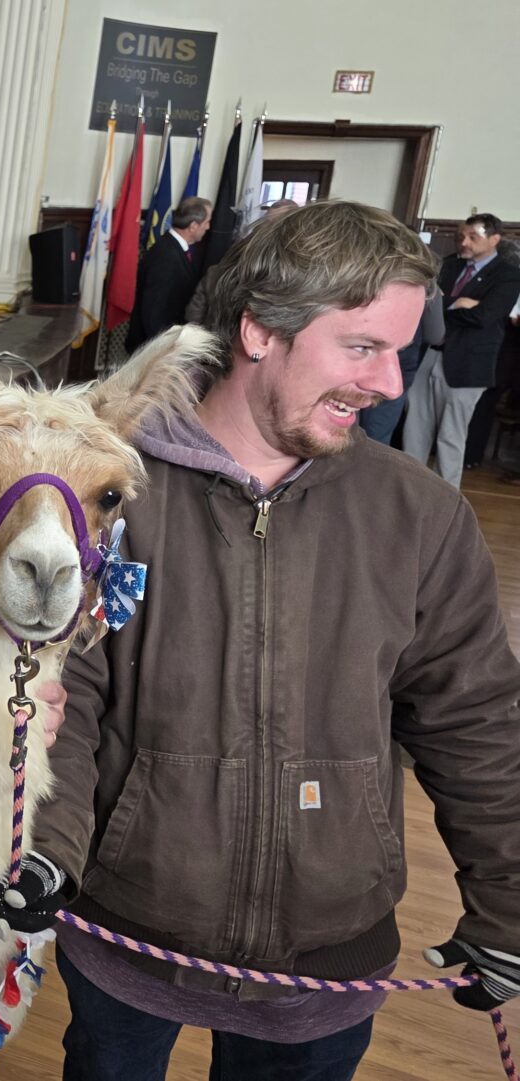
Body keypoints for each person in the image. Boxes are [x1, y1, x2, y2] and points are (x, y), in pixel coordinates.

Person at [33, 200, 520, 1081]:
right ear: (260, 330)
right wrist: (48, 853)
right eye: (364, 347)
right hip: (127, 935)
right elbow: (65, 699)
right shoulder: (107, 488)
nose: (391, 385)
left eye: (401, 352)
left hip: (327, 959)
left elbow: (477, 723)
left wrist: (512, 909)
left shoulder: (419, 514)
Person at [399, 213, 520, 485]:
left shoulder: (508, 274)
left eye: (472, 237)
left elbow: (485, 317)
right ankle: (410, 486)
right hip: (429, 355)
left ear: (494, 239)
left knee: (451, 434)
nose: (464, 242)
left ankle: (445, 493)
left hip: (467, 364)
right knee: (414, 428)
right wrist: (458, 303)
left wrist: (446, 304)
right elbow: (425, 302)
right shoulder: (449, 264)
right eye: (461, 237)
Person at [185, 199, 297, 324]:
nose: (266, 229)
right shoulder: (242, 250)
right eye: (267, 223)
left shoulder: (292, 270)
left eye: (273, 224)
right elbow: (196, 310)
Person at [357, 285, 444, 444]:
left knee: (339, 435)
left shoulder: (359, 269)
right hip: (397, 369)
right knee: (376, 442)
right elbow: (435, 335)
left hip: (352, 361)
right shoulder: (427, 285)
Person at [126, 196, 211, 350]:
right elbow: (153, 312)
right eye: (206, 222)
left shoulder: (175, 248)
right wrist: (161, 351)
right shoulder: (165, 255)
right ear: (193, 226)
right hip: (152, 348)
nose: (208, 227)